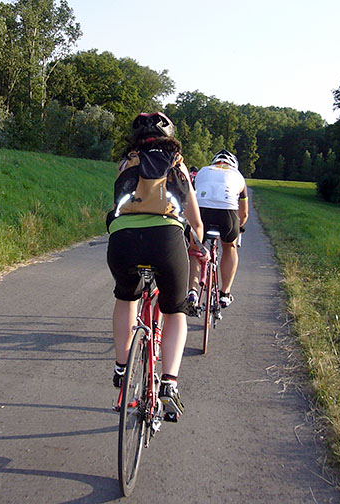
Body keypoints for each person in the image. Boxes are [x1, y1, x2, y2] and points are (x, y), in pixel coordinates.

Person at [106, 112, 203, 420]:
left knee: (126, 297)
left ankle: (123, 367)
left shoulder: (126, 162)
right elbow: (195, 220)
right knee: (174, 310)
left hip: (123, 238)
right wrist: (195, 247)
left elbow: (118, 207)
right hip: (166, 239)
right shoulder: (177, 163)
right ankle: (169, 383)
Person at [187, 149, 248, 312]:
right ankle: (225, 293)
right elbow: (244, 213)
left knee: (195, 250)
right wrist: (239, 228)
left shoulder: (202, 172)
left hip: (202, 213)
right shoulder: (238, 176)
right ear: (233, 165)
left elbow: (191, 198)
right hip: (228, 215)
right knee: (229, 247)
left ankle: (192, 292)